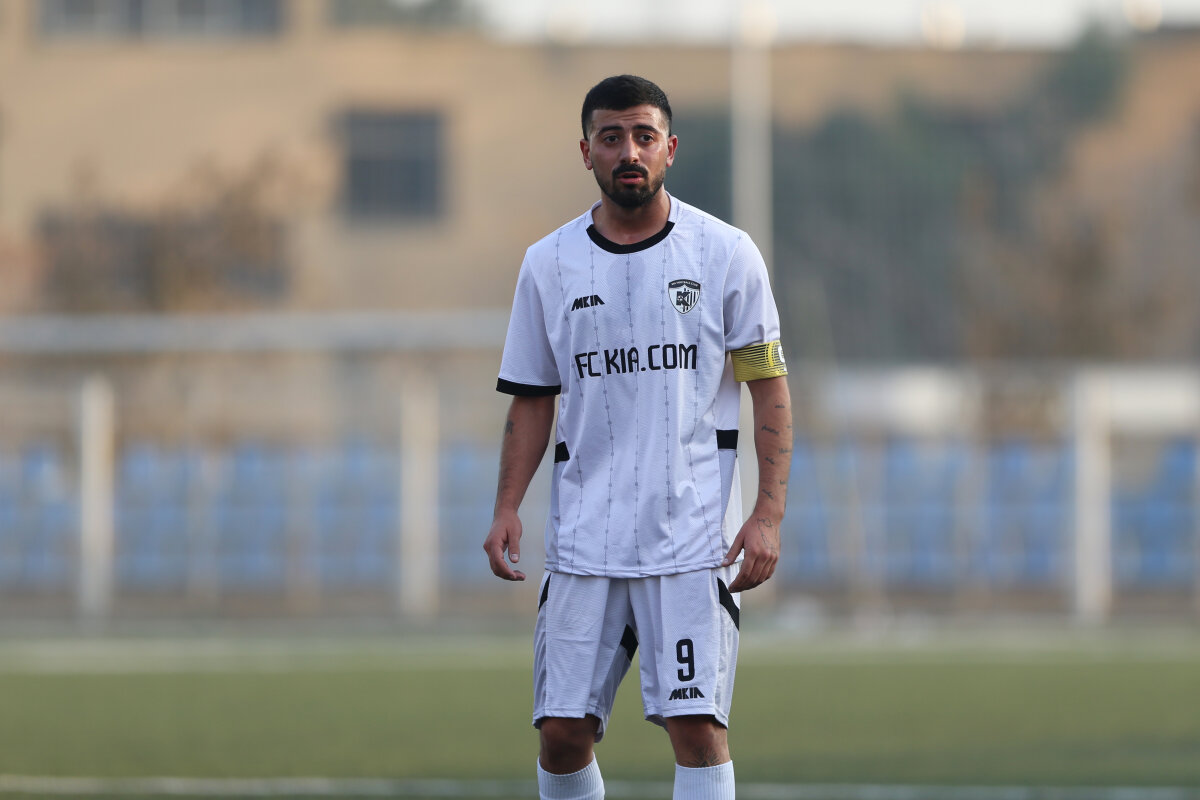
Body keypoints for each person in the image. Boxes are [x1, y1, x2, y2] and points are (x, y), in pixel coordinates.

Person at [483, 74, 792, 800]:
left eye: (644, 136)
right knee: (562, 732)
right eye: (612, 137)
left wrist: (768, 513)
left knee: (696, 728)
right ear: (585, 150)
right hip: (584, 538)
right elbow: (532, 397)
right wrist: (507, 506)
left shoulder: (725, 253)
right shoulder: (549, 263)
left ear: (669, 149)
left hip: (691, 538)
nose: (629, 152)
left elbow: (769, 386)